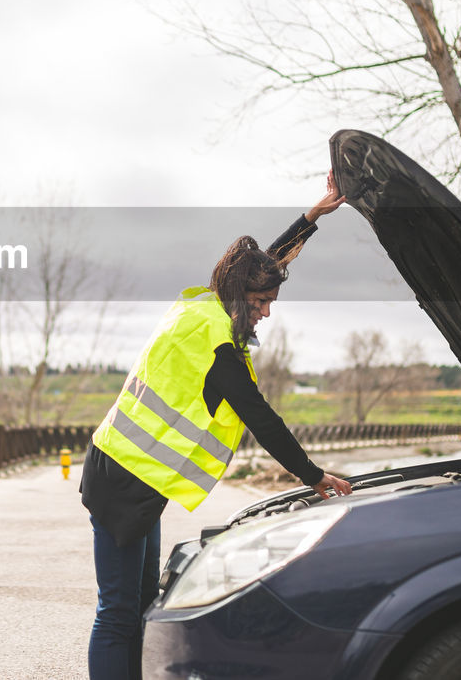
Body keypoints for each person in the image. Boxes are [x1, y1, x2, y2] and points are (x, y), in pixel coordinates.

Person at [80, 172, 354, 680]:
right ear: (240, 297)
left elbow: (260, 264)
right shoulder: (220, 349)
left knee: (142, 602)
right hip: (122, 478)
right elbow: (263, 420)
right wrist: (314, 477)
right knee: (117, 611)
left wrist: (311, 220)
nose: (268, 312)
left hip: (138, 477)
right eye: (262, 303)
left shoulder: (209, 305)